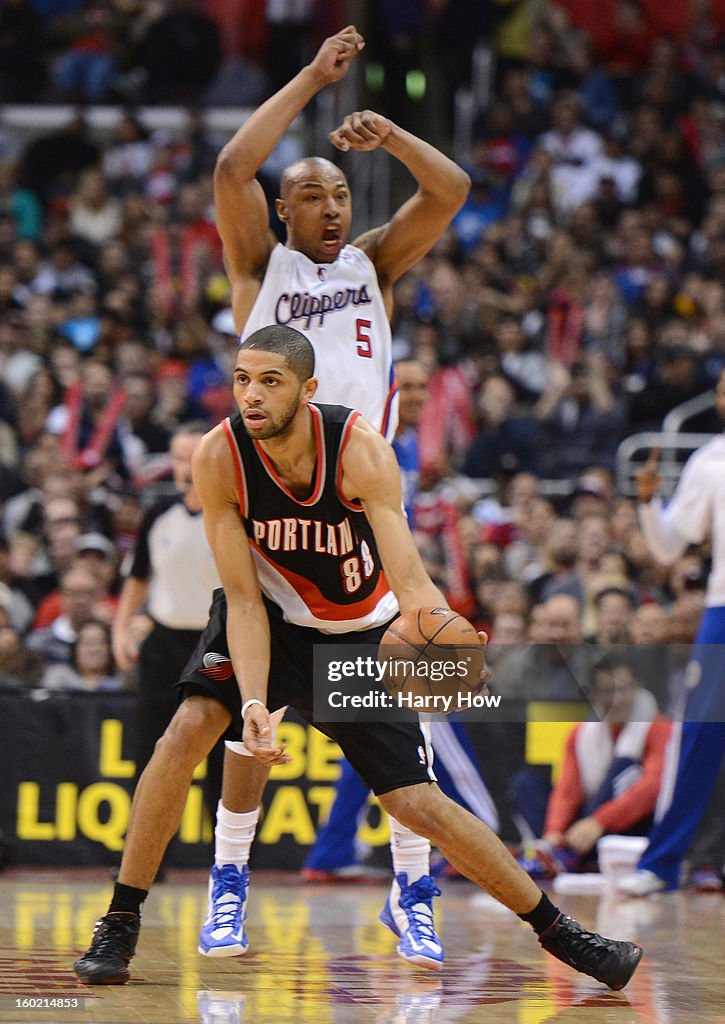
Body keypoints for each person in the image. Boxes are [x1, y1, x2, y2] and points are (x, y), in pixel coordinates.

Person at [73, 326, 642, 990]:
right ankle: (120, 919)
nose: (250, 396)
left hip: (356, 635)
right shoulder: (218, 455)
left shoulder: (357, 449)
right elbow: (245, 601)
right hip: (271, 618)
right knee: (187, 731)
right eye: (241, 380)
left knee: (418, 802)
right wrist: (254, 702)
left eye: (269, 381)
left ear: (307, 390)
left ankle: (564, 934)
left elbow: (408, 580)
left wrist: (439, 630)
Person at [205, 23, 473, 966]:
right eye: (309, 194)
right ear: (281, 213)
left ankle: (411, 891)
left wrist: (391, 138)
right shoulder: (258, 271)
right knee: (252, 717)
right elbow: (234, 166)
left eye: (338, 194)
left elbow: (452, 191)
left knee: (405, 718)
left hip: (363, 514)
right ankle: (228, 882)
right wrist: (314, 76)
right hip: (276, 515)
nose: (328, 205)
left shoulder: (373, 264)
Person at [617, 367, 725, 896]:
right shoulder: (710, 462)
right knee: (699, 736)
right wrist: (647, 503)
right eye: (723, 388)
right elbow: (667, 549)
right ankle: (661, 864)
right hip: (723, 611)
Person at [111, 422, 221, 785]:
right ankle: (146, 843)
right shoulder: (158, 514)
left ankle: (224, 844)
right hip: (162, 645)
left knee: (221, 758)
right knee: (152, 753)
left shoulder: (231, 516)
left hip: (216, 647)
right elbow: (138, 578)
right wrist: (120, 631)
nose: (185, 468)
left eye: (193, 459)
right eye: (178, 459)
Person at [513, 656, 671, 876]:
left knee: (625, 769)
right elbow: (567, 791)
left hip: (636, 824)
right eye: (608, 691)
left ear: (638, 686)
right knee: (526, 783)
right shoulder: (581, 734)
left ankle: (570, 856)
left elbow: (653, 787)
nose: (617, 700)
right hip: (590, 819)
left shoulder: (660, 727)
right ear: (595, 695)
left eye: (623, 690)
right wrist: (554, 832)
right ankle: (556, 853)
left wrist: (599, 821)